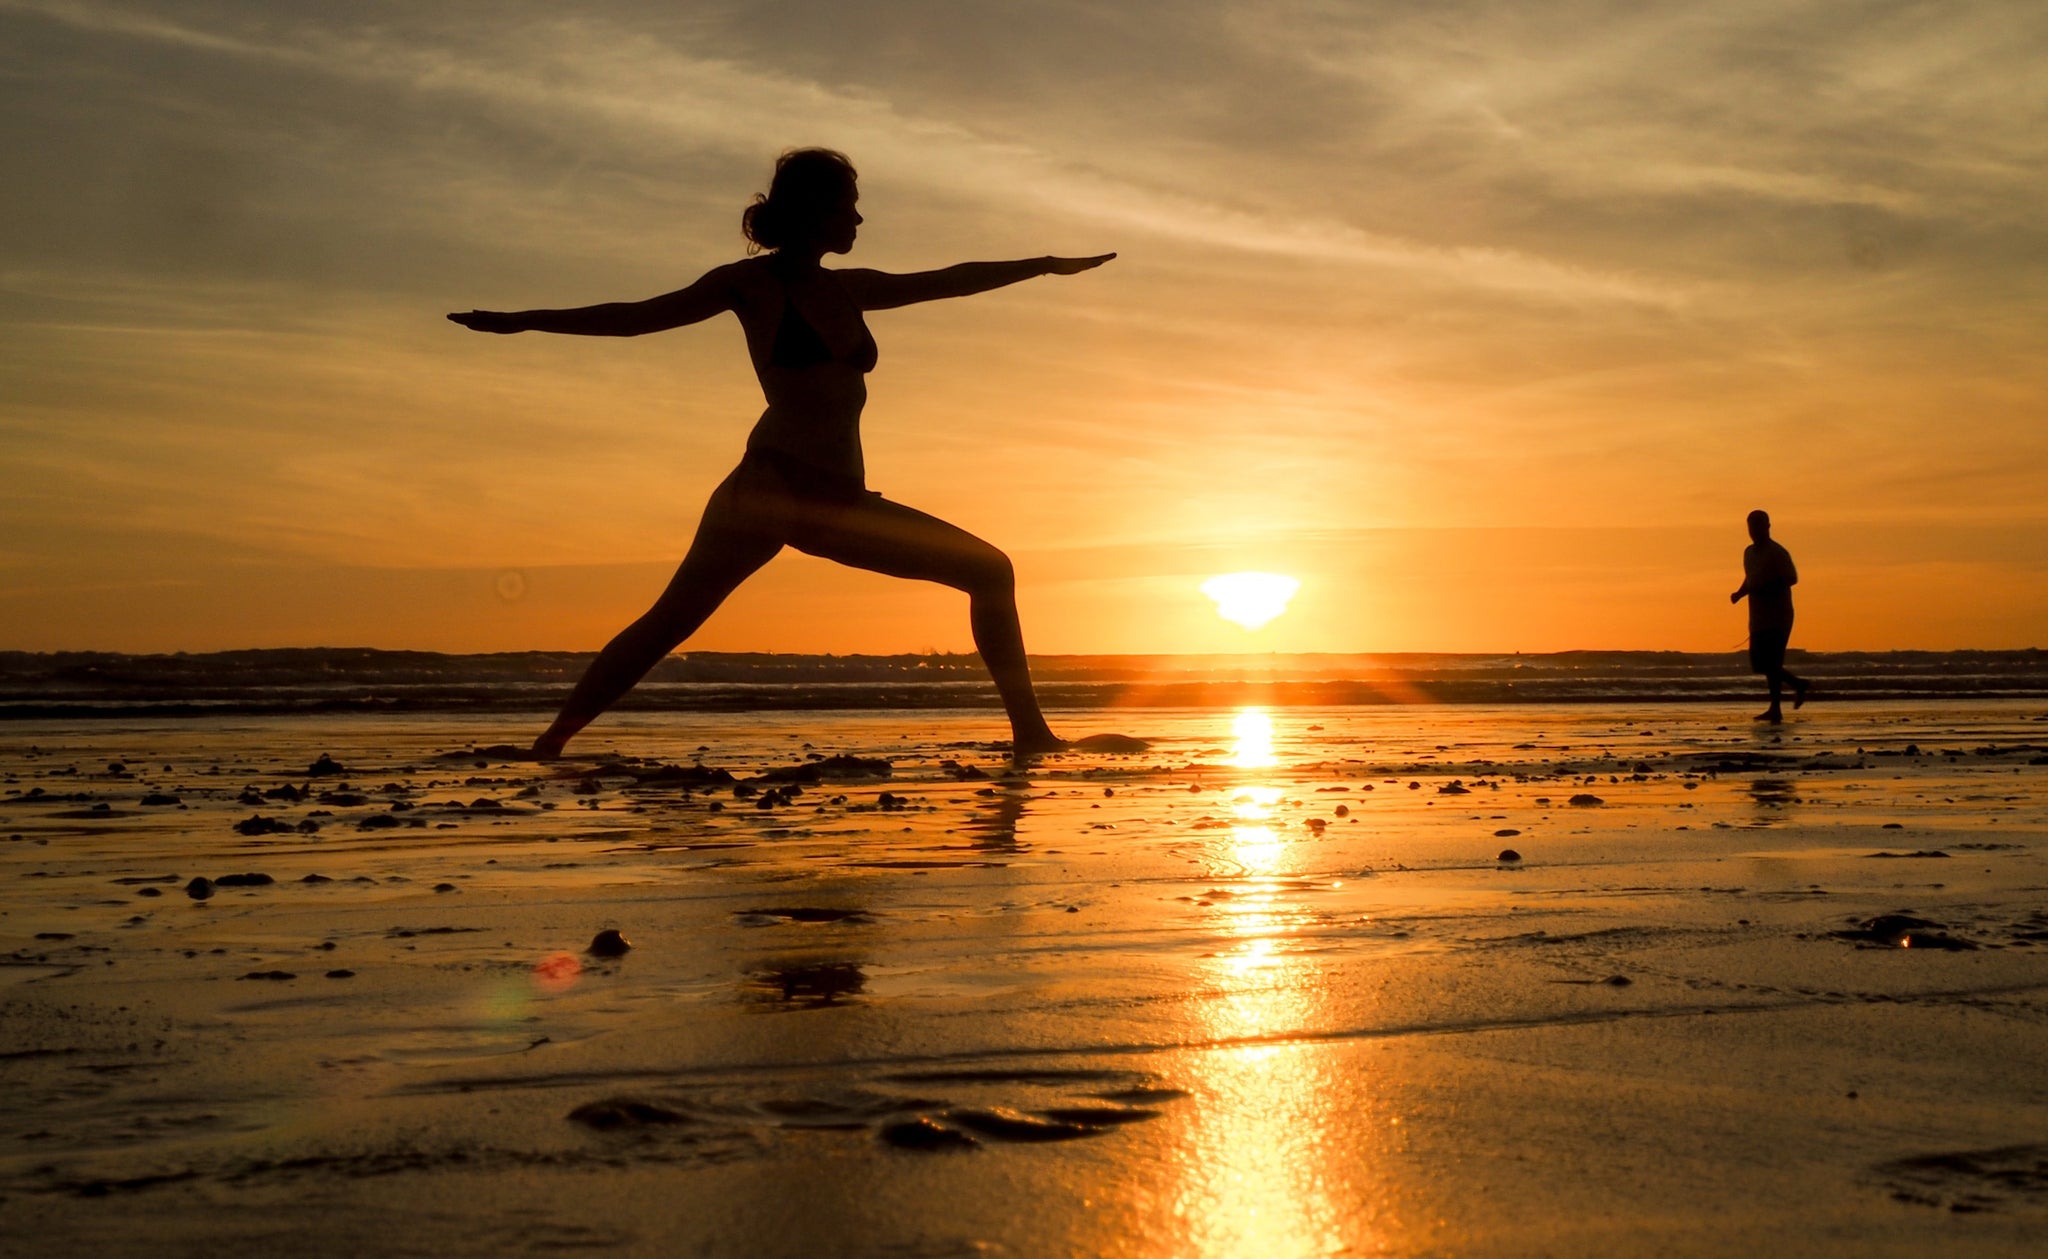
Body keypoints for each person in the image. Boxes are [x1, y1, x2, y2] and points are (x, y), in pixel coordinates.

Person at [451, 148, 1134, 760]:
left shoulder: (849, 288)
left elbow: (950, 278)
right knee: (671, 620)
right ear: (816, 210)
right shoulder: (749, 285)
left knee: (987, 572)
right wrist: (527, 320)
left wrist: (1042, 265)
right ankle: (551, 742)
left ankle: (1032, 734)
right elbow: (636, 315)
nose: (859, 219)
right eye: (850, 206)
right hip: (773, 487)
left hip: (828, 497)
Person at [1729, 509, 1809, 723]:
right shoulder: (1749, 553)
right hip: (1757, 617)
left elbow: (1791, 578)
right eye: (1751, 527)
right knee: (1761, 664)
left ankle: (1779, 706)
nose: (1754, 531)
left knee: (1772, 663)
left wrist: (1766, 587)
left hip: (1778, 615)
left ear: (1767, 527)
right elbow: (1750, 578)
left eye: (1759, 526)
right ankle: (1794, 689)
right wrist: (1739, 593)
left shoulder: (1777, 552)